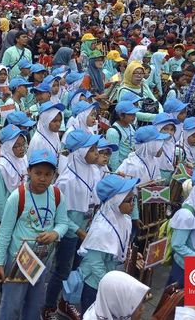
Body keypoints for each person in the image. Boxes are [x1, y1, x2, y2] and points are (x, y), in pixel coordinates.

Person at [0, 149, 69, 320]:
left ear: (54, 175)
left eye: (48, 174)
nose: (43, 178)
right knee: (11, 304)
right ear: (29, 171)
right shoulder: (17, 197)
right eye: (38, 173)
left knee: (35, 304)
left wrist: (55, 233)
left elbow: (63, 222)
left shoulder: (57, 195)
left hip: (43, 260)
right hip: (18, 260)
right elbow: (4, 232)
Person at [45, 130, 101, 320]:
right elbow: (60, 217)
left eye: (96, 149)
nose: (97, 153)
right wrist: (78, 231)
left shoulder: (94, 171)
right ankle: (48, 306)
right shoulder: (66, 180)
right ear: (79, 152)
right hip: (70, 233)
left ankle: (65, 302)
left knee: (77, 270)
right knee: (62, 270)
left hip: (85, 230)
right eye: (92, 149)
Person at [78, 174, 140, 312]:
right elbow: (95, 263)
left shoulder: (123, 218)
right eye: (129, 200)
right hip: (96, 285)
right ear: (115, 201)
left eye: (134, 198)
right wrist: (109, 287)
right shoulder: (102, 229)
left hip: (110, 278)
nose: (133, 204)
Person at [81, 271, 150, 319]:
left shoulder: (105, 309)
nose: (142, 309)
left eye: (141, 303)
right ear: (117, 305)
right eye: (136, 306)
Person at [106, 101, 139, 171]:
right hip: (121, 169)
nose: (134, 116)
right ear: (121, 116)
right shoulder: (113, 132)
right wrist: (117, 173)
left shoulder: (131, 126)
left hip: (131, 166)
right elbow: (113, 157)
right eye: (130, 114)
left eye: (134, 114)